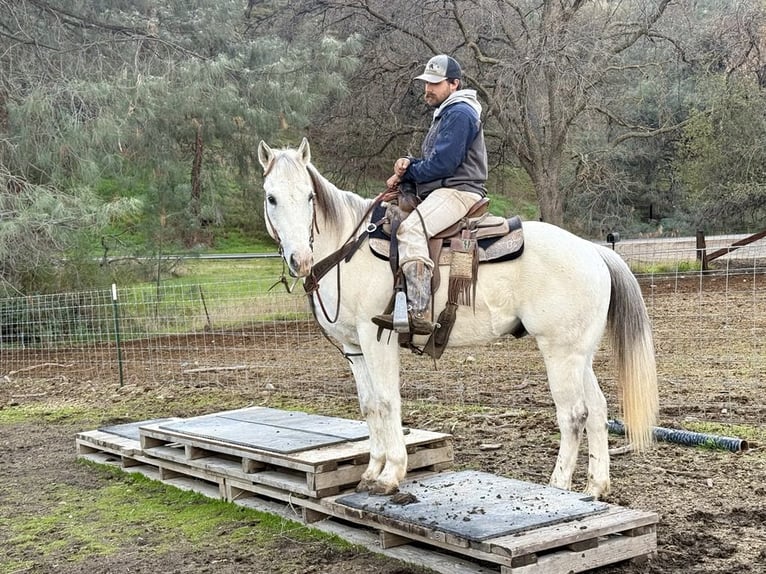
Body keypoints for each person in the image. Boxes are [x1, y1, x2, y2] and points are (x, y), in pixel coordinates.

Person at [372, 54, 488, 335]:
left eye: (435, 83)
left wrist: (408, 170)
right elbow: (437, 159)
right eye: (427, 82)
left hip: (459, 191)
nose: (428, 88)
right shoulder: (448, 112)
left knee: (411, 229)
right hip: (446, 189)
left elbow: (443, 165)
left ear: (454, 84)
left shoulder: (459, 113)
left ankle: (418, 311)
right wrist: (408, 163)